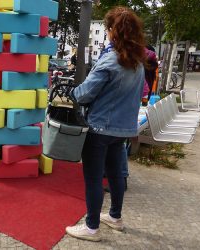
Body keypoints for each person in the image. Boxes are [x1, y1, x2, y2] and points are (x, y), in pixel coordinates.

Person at [65, 7, 146, 242]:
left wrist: (73, 92)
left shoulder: (109, 61)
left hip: (99, 128)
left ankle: (91, 228)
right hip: (123, 129)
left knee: (93, 178)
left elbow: (84, 94)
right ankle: (115, 217)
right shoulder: (138, 63)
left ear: (113, 31)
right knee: (115, 174)